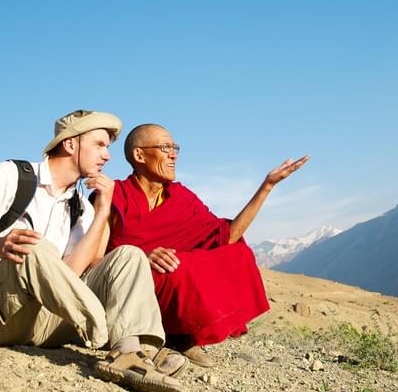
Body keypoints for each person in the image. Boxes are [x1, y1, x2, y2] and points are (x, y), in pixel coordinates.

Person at [0, 110, 186, 392]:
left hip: (45, 324)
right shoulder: (10, 176)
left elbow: (70, 273)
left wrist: (103, 210)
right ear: (70, 144)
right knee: (33, 246)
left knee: (130, 254)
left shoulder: (81, 205)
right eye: (100, 145)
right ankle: (108, 336)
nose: (107, 156)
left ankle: (133, 353)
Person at [105, 123, 309, 367]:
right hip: (127, 284)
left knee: (235, 253)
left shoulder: (181, 197)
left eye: (175, 148)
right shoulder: (114, 194)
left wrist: (267, 186)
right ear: (139, 155)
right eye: (165, 147)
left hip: (168, 281)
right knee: (178, 266)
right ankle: (149, 336)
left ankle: (178, 336)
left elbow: (225, 236)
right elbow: (99, 251)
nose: (173, 155)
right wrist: (141, 256)